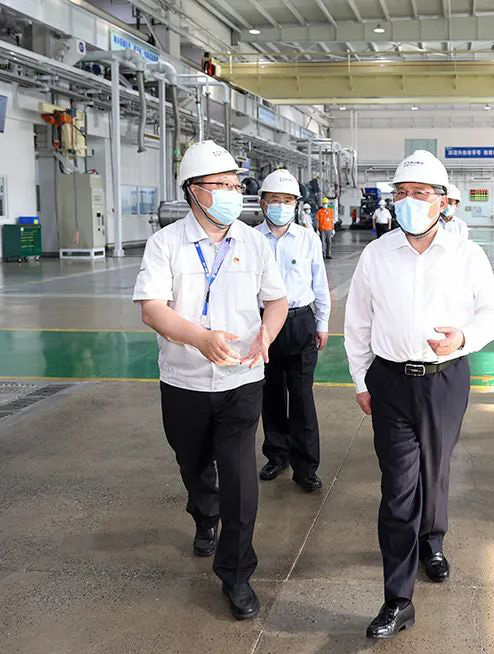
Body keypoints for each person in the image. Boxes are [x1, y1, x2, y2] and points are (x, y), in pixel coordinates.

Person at [344, 150, 494, 640]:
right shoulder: (377, 255)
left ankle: (432, 541)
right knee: (398, 488)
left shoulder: (466, 255)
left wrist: (463, 338)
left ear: (443, 201)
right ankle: (398, 599)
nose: (409, 201)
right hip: (390, 382)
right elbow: (358, 323)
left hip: (444, 379)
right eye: (402, 193)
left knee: (435, 471)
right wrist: (361, 380)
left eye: (420, 193)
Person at [132, 140, 289, 620]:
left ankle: (237, 574)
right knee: (194, 462)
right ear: (193, 191)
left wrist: (266, 335)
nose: (231, 193)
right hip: (184, 381)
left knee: (240, 478)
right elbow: (152, 308)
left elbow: (277, 300)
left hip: (242, 379)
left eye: (235, 185)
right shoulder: (166, 244)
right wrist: (199, 339)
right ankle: (204, 514)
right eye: (220, 185)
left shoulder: (254, 242)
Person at [256, 169, 331, 492]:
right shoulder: (250, 239)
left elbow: (320, 282)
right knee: (270, 393)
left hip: (300, 322)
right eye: (275, 200)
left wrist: (322, 322)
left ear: (296, 204)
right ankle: (277, 455)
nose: (281, 206)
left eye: (288, 201)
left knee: (301, 396)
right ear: (263, 203)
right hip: (263, 324)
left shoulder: (307, 238)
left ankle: (306, 467)